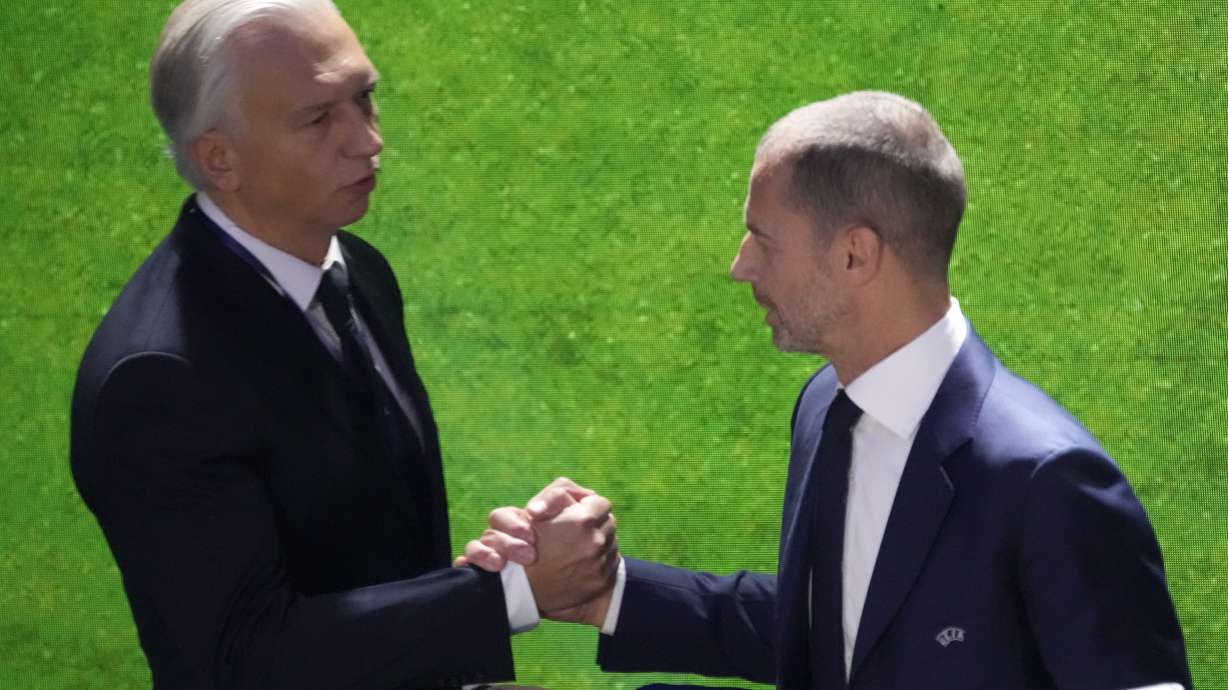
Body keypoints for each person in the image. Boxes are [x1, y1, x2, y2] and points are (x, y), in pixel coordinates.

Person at [464, 91, 1192, 689]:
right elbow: (838, 630)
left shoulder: (1046, 480)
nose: (740, 266)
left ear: (855, 255)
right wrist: (608, 592)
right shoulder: (826, 408)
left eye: (764, 239)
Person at [69, 1, 616, 688]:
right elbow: (239, 658)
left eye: (365, 98)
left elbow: (363, 542)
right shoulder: (157, 380)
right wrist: (511, 594)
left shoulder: (356, 270)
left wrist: (490, 571)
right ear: (220, 159)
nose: (367, 141)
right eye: (319, 118)